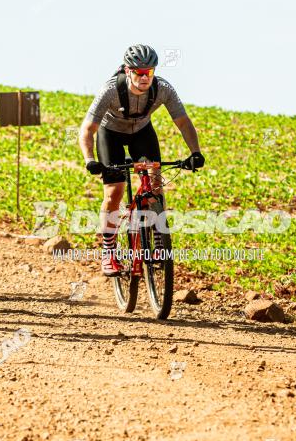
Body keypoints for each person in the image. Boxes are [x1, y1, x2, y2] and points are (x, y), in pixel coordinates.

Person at [79, 44, 204, 276]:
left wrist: (195, 152)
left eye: (150, 72)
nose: (145, 77)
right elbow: (87, 129)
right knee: (114, 192)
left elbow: (184, 122)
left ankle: (158, 241)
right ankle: (108, 252)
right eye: (140, 72)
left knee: (155, 184)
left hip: (142, 134)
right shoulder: (110, 90)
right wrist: (89, 159)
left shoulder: (163, 88)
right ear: (128, 71)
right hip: (111, 134)